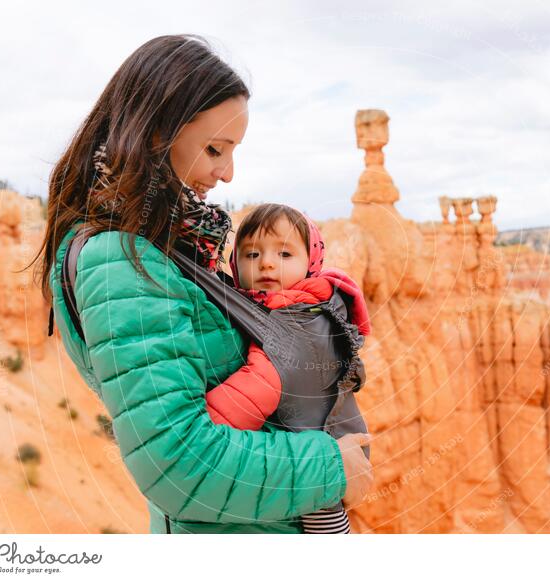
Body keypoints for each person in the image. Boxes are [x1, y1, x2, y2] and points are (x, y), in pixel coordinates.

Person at [34, 34, 372, 534]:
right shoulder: (119, 258)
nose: (228, 173)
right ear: (156, 134)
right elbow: (178, 464)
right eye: (215, 149)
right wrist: (331, 467)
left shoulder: (171, 247)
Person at [204, 203, 371, 533]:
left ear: (310, 262)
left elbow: (262, 383)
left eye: (284, 255)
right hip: (330, 442)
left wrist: (200, 423)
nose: (266, 262)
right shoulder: (316, 305)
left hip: (326, 455)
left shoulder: (293, 321)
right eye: (252, 255)